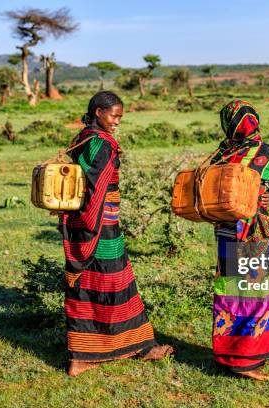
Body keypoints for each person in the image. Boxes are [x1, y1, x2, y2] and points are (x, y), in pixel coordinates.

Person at [60, 91, 173, 376]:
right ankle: (124, 348)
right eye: (114, 115)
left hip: (79, 221)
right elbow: (96, 189)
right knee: (114, 284)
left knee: (87, 286)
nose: (117, 122)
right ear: (98, 112)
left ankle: (88, 354)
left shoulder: (82, 138)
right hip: (100, 225)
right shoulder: (102, 144)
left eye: (120, 117)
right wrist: (93, 225)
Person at [211, 100, 269, 381]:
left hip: (225, 229)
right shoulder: (264, 151)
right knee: (258, 294)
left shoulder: (221, 152)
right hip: (253, 231)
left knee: (231, 291)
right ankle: (246, 360)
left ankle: (227, 352)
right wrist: (264, 193)